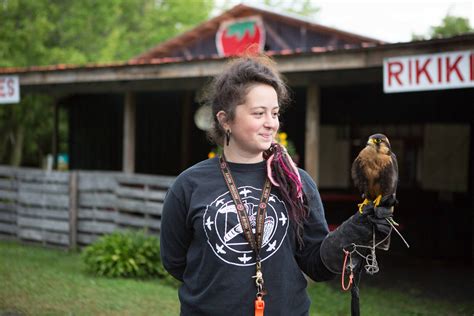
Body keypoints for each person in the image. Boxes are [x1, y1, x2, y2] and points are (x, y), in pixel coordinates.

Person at [160, 55, 392, 316]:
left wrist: (352, 233)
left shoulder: (295, 181)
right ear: (225, 120)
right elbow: (175, 261)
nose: (271, 122)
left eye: (275, 113)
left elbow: (315, 263)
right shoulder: (189, 185)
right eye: (259, 113)